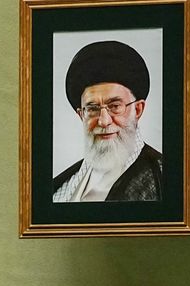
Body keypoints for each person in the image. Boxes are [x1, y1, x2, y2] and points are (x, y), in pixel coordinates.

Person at [51, 39, 163, 203]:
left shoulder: (164, 178)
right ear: (81, 115)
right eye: (92, 108)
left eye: (115, 106)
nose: (103, 121)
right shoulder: (61, 186)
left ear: (137, 110)